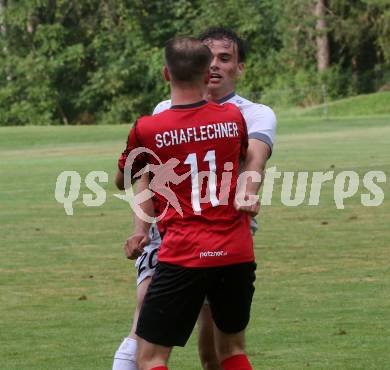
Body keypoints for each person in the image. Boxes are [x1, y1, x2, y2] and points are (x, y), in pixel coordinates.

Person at [112, 27, 276, 370]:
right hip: (226, 243)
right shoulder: (231, 119)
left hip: (186, 244)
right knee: (225, 346)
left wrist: (247, 192)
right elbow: (148, 180)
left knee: (169, 354)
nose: (216, 65)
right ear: (202, 69)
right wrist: (141, 228)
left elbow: (254, 161)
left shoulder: (250, 112)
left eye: (225, 58)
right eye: (210, 57)